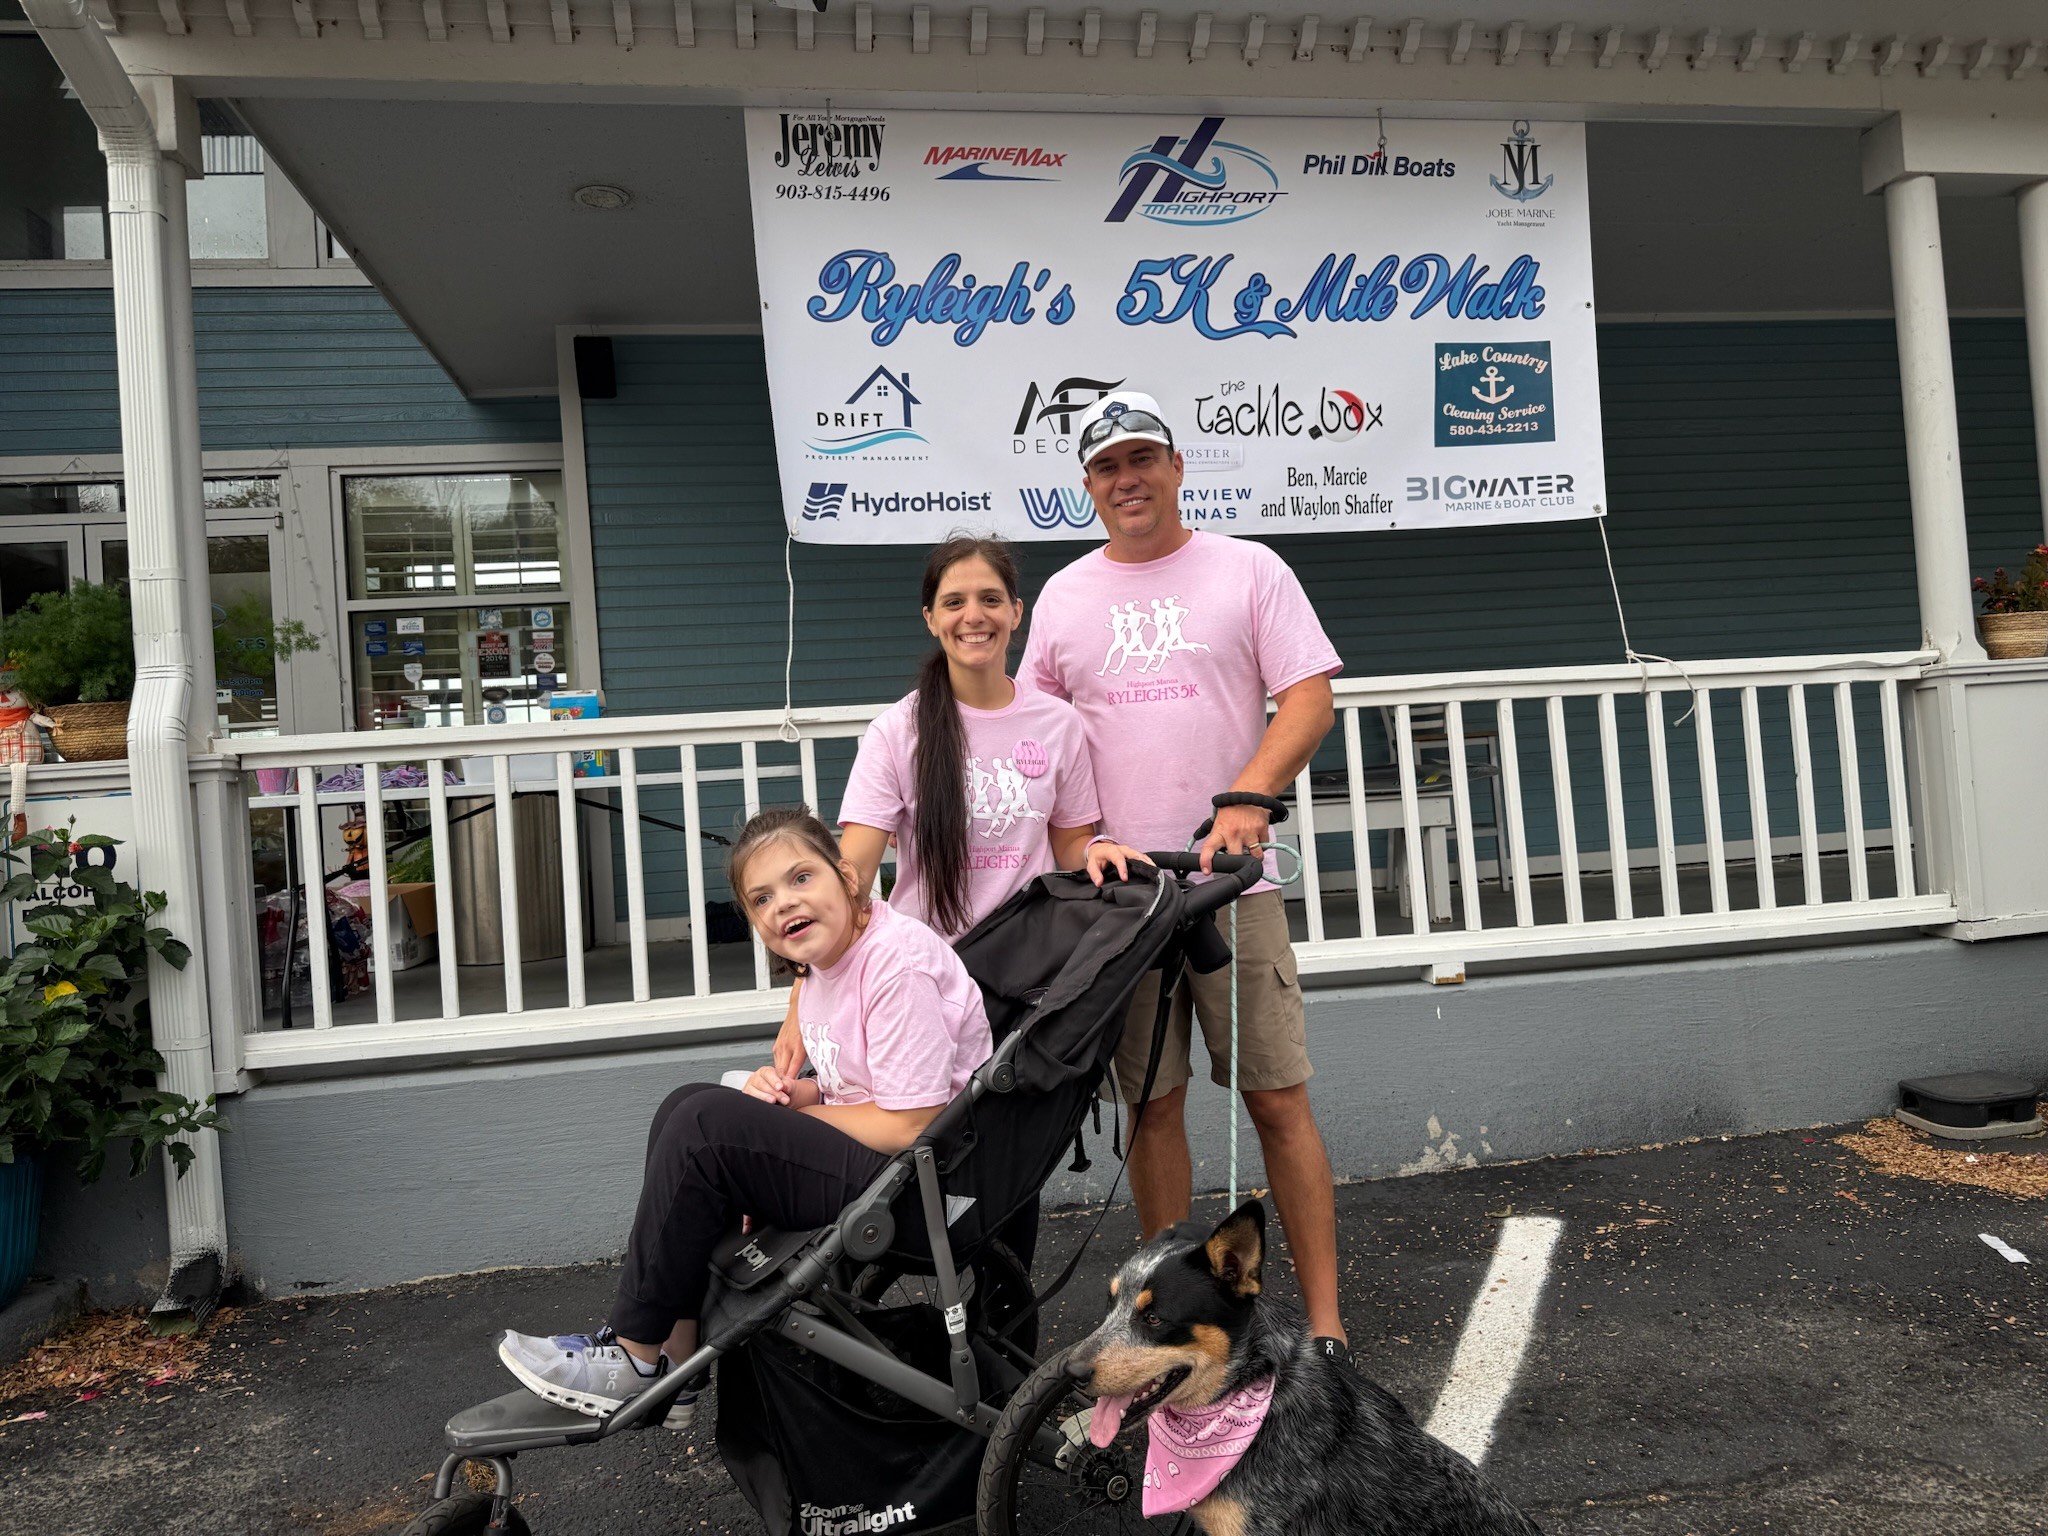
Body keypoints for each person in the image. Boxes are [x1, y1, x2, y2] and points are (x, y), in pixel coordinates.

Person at [1018, 390, 1351, 1359]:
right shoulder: (1066, 598)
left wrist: (1243, 798)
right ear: (1086, 487)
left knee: (1277, 1101)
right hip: (1120, 905)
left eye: (1139, 460)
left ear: (1174, 465)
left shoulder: (1248, 569)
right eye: (1104, 467)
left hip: (1227, 889)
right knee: (1151, 1107)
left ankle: (1324, 1327)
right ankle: (1164, 1322)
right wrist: (1074, 848)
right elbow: (1038, 740)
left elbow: (1308, 702)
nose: (1125, 480)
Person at [496, 805, 994, 1428]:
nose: (784, 904)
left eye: (801, 878)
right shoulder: (823, 966)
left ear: (847, 876)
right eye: (762, 898)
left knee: (705, 1125)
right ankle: (672, 1358)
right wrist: (793, 1099)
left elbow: (909, 1122)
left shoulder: (896, 964)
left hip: (923, 1185)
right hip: (880, 1160)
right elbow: (855, 1087)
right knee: (687, 1106)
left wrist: (791, 1124)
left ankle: (633, 1354)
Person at [773, 535, 1147, 1078]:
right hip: (919, 980)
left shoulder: (1059, 724)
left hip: (1029, 975)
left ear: (1017, 613)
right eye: (954, 602)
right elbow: (848, 878)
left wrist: (1097, 849)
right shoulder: (896, 732)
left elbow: (1069, 841)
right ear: (930, 618)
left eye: (991, 599)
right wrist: (800, 1001)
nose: (974, 616)